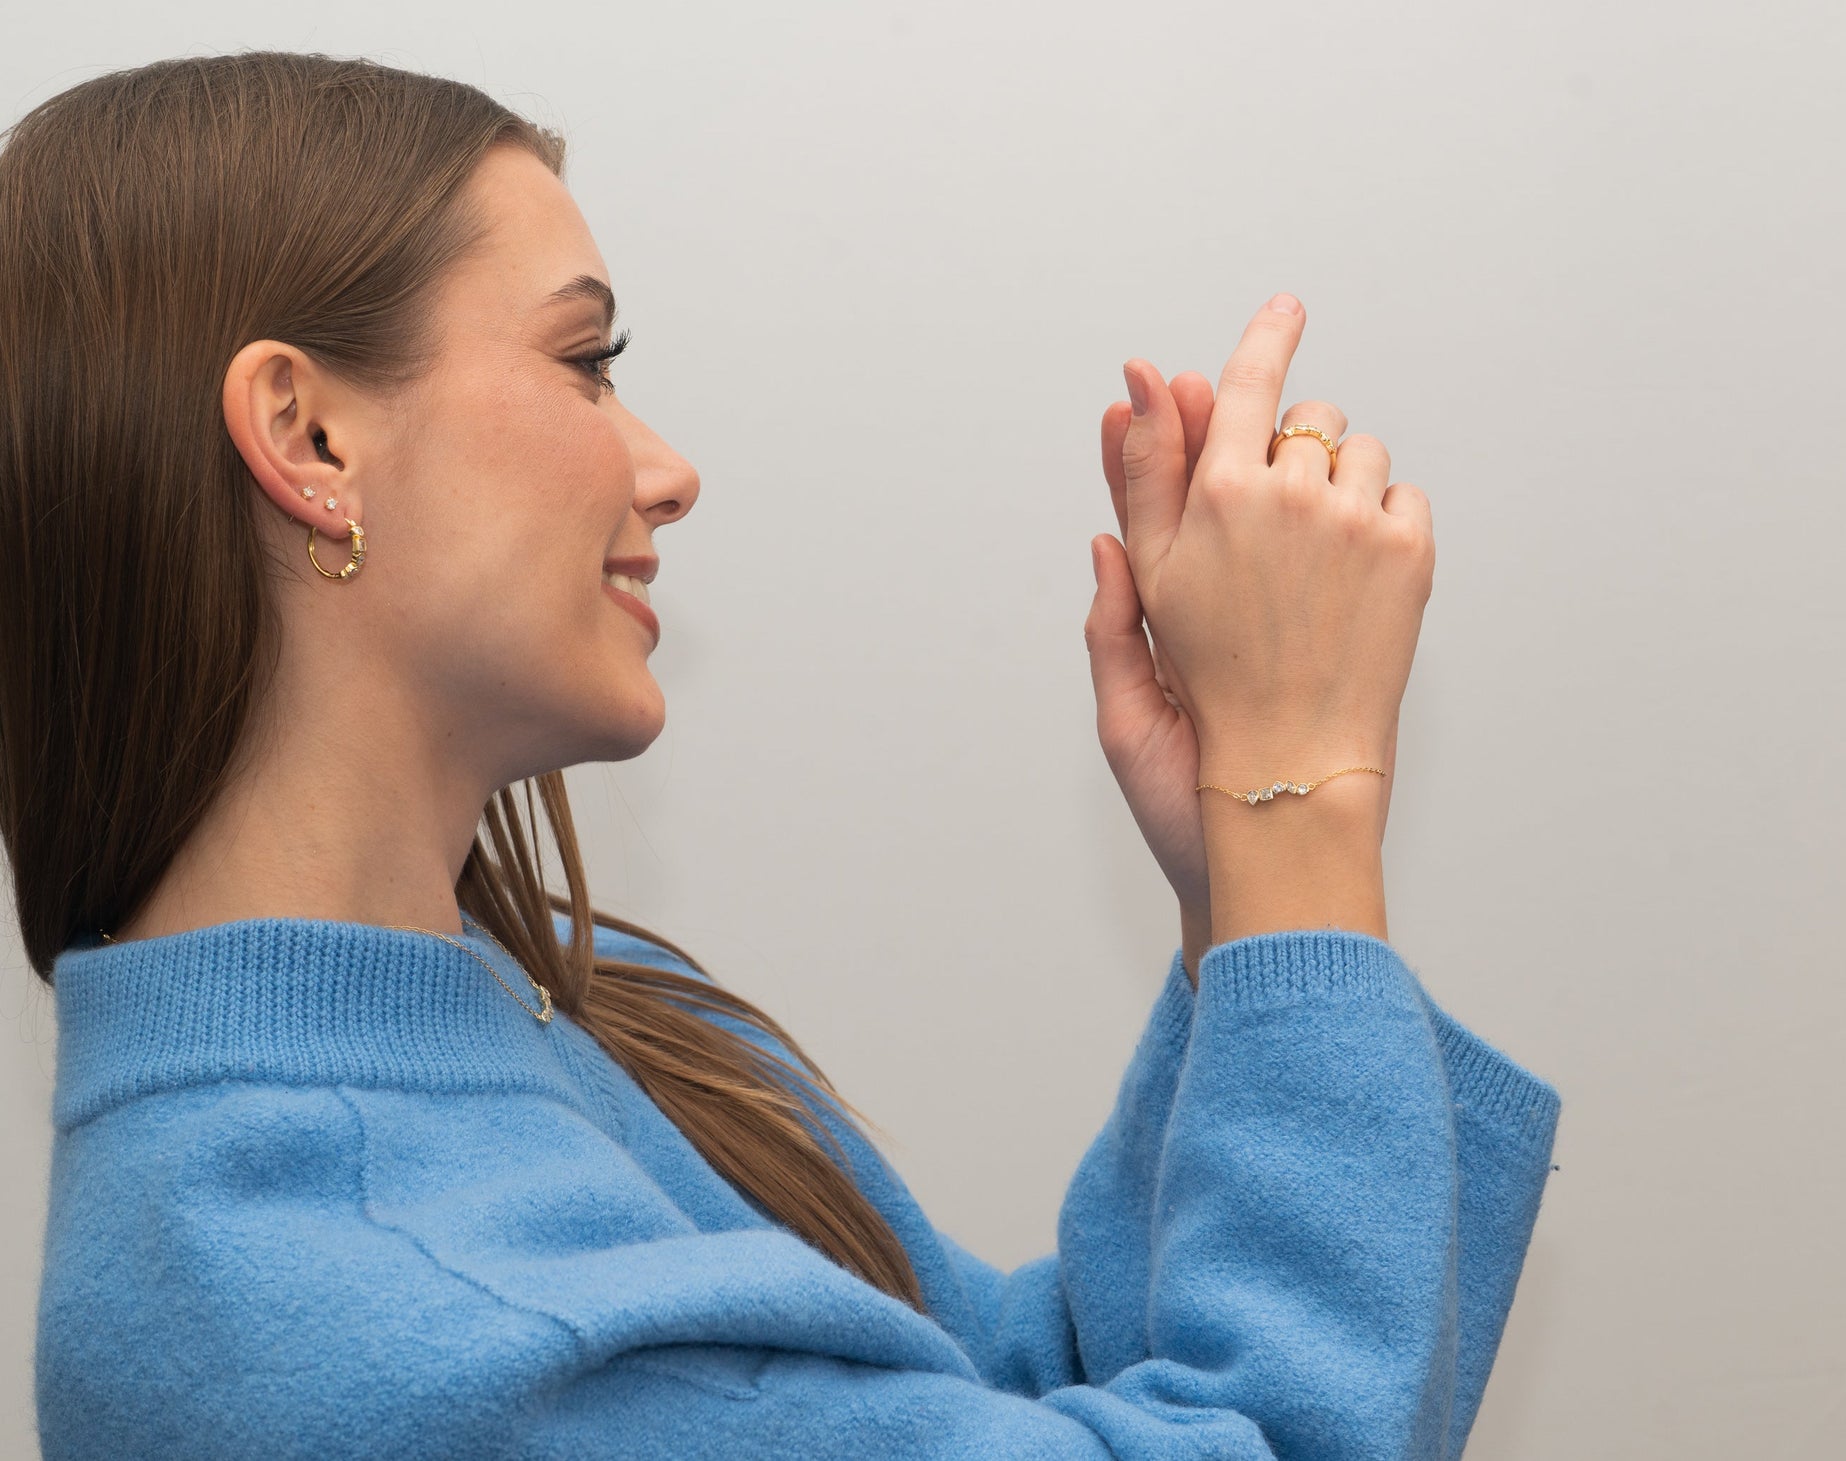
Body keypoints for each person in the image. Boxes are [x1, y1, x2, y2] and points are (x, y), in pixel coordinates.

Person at [0, 51, 1560, 1460]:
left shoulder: (538, 1015)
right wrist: (1299, 791)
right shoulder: (348, 1298)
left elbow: (1004, 1396)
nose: (666, 471)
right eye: (585, 362)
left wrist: (1245, 890)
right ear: (309, 437)